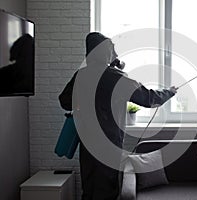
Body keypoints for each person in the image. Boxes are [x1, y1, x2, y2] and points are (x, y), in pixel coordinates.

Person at [59, 32, 177, 200]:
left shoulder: (81, 74)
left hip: (86, 144)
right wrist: (169, 92)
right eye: (111, 48)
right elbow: (149, 99)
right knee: (106, 191)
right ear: (104, 51)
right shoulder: (114, 77)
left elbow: (64, 101)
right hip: (108, 146)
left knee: (89, 188)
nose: (115, 52)